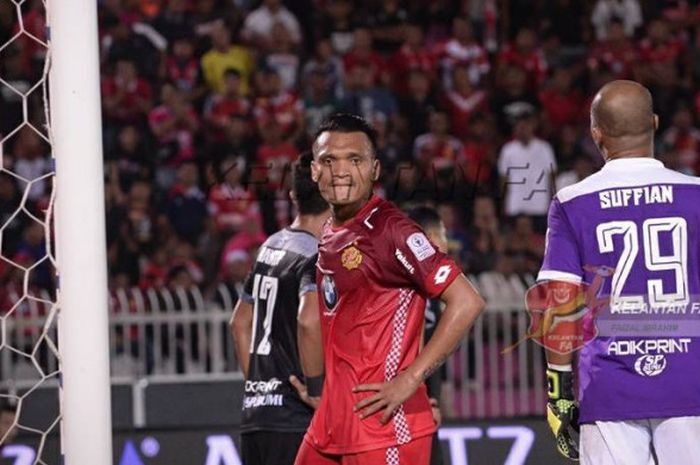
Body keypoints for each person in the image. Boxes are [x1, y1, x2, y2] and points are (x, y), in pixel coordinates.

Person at [294, 114, 484, 465]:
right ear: (314, 171)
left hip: (383, 426)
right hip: (333, 423)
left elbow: (466, 301)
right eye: (328, 160)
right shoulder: (334, 230)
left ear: (375, 169)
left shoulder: (391, 229)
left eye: (355, 160)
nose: (341, 171)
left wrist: (410, 379)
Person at [539, 80, 700, 464]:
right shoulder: (696, 194)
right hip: (690, 381)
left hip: (608, 387)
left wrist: (559, 393)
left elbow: (560, 302)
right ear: (656, 123)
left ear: (596, 132)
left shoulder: (571, 203)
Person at [230, 152, 330, 465]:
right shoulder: (318, 254)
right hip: (296, 419)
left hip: (258, 414)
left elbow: (239, 323)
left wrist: (260, 386)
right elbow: (309, 321)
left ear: (292, 197)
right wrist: (317, 391)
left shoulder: (270, 246)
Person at [407, 205, 450, 465]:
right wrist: (425, 397)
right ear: (432, 239)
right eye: (443, 234)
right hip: (412, 400)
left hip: (419, 397)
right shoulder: (410, 282)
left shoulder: (430, 284)